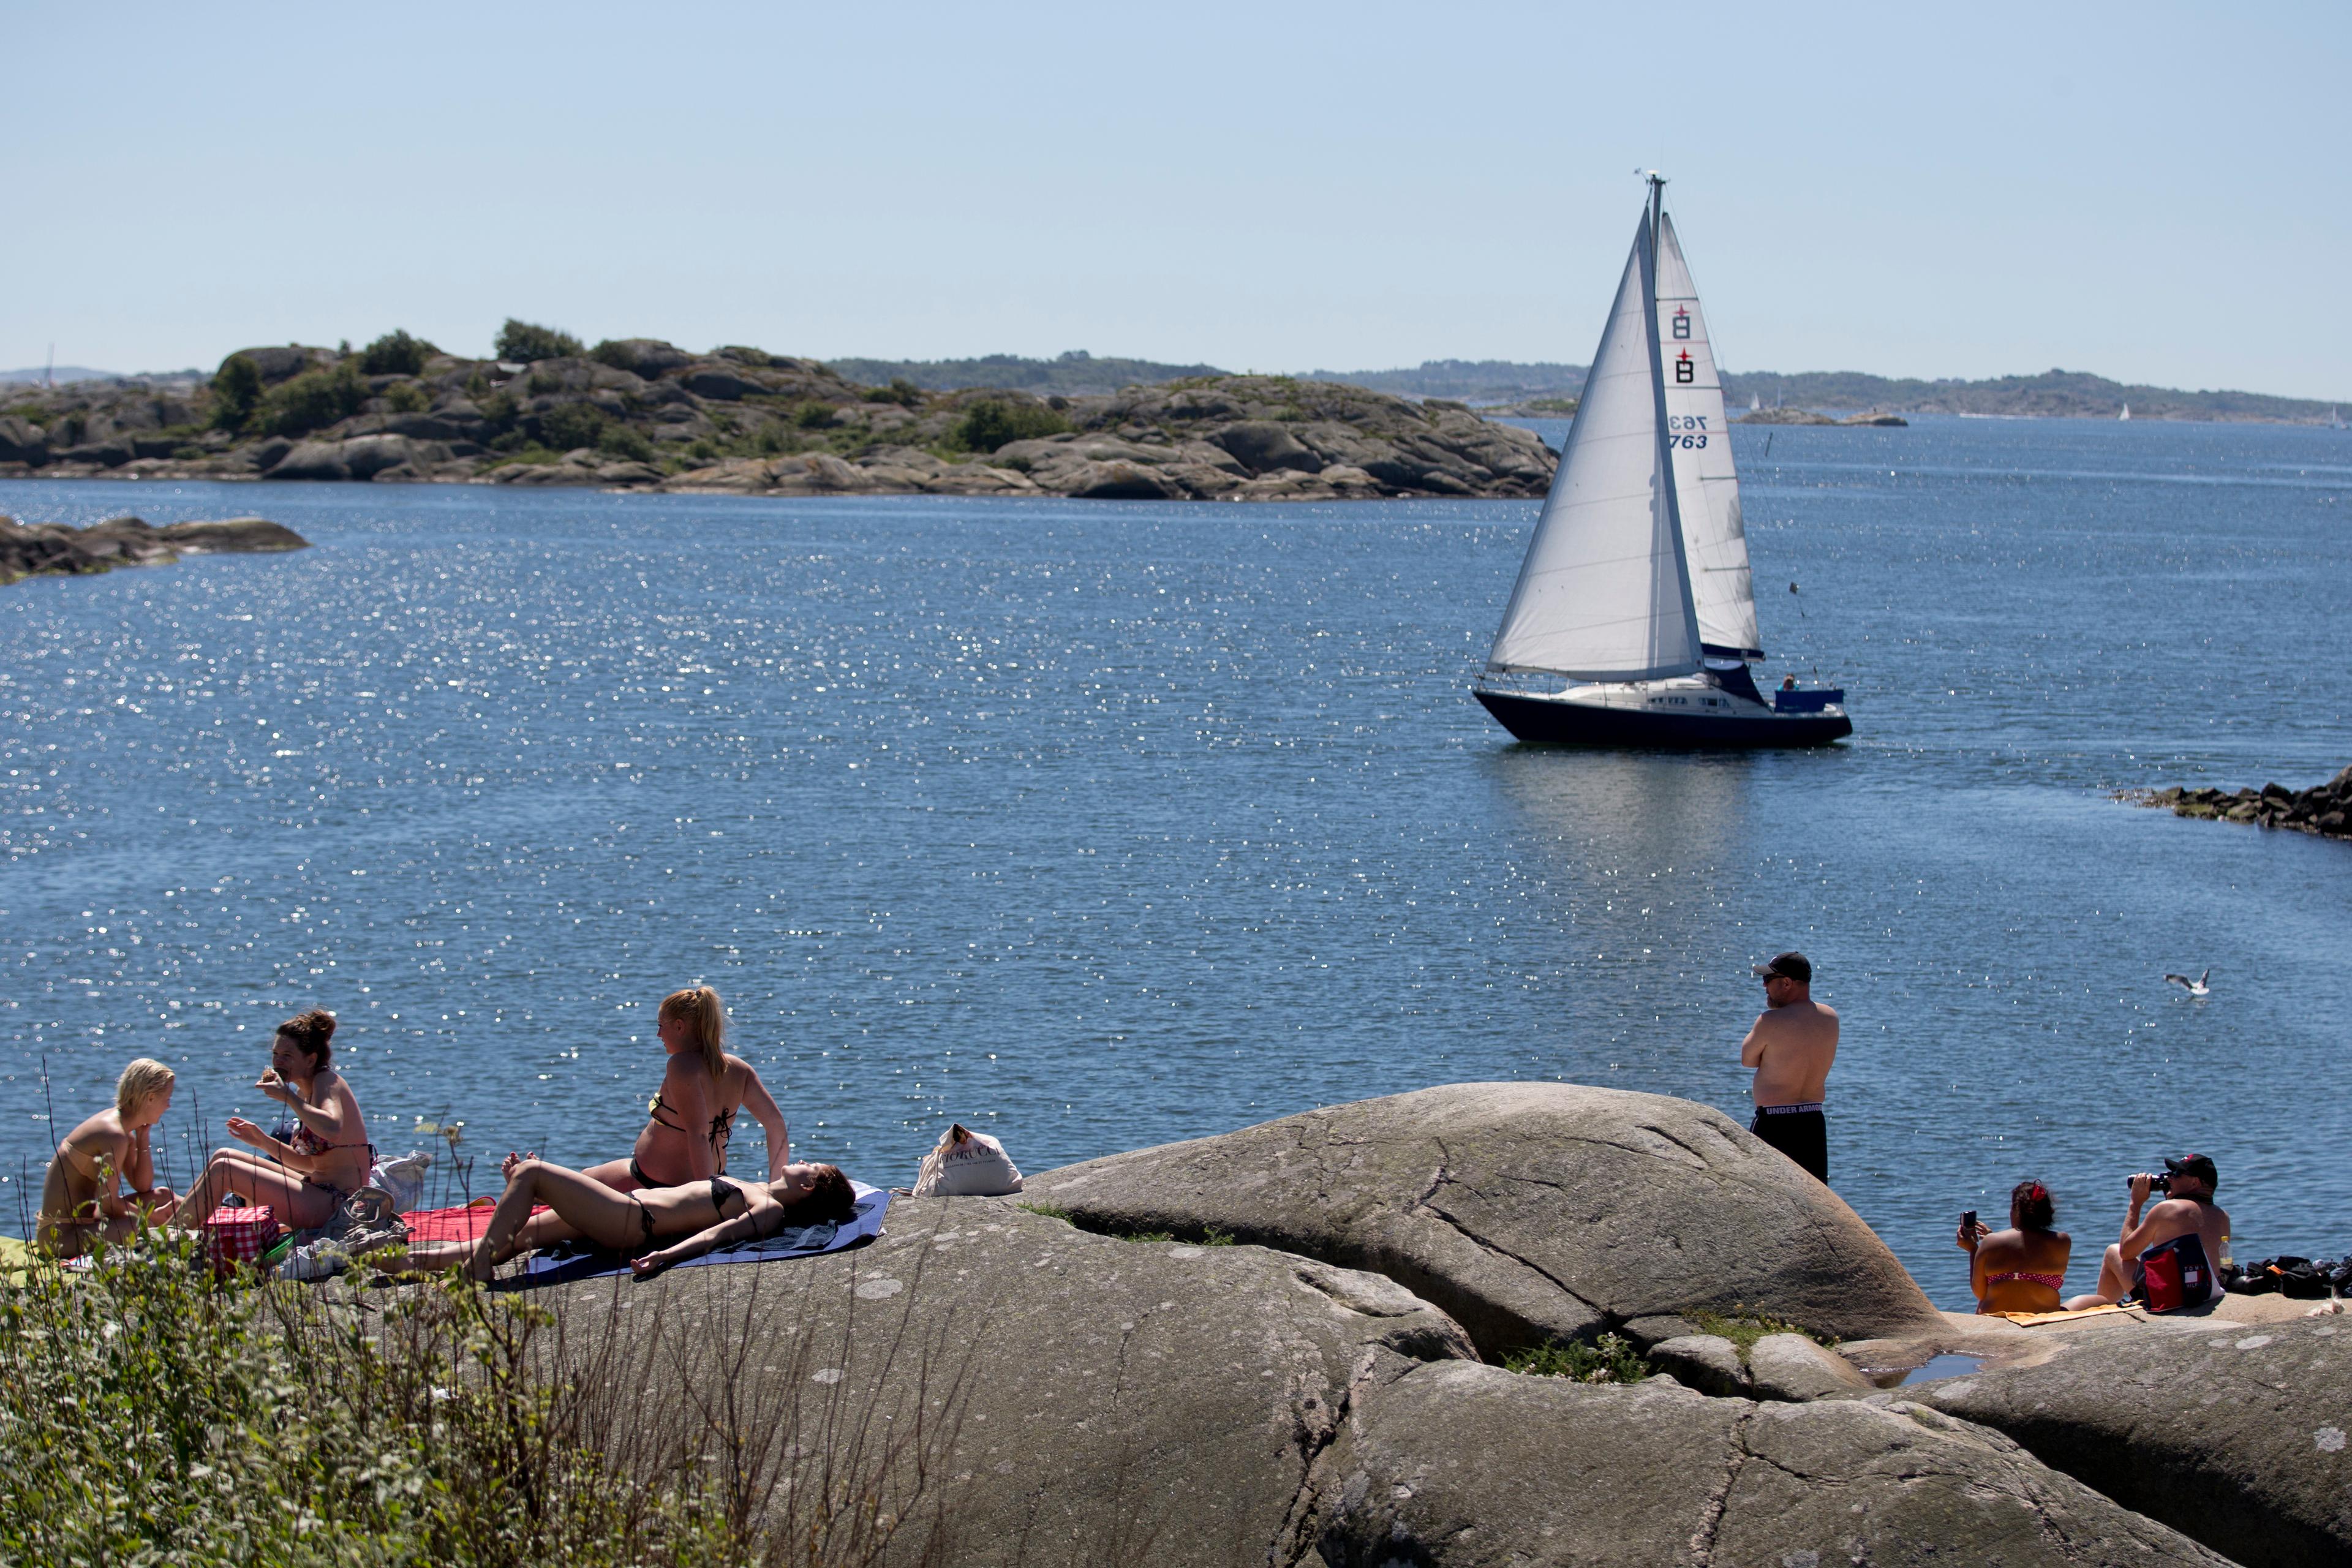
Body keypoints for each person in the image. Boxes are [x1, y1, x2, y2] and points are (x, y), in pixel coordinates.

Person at [401, 1153, 856, 1283]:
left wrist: (665, 1257)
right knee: (517, 1238)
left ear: (808, 1188)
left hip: (632, 1221)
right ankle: (391, 1264)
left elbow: (720, 1235)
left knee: (535, 1173)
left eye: (810, 1167)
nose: (802, 1162)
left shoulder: (771, 1208)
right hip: (625, 1213)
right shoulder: (758, 1188)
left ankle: (480, 1264)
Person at [172, 1009, 374, 1232]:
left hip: (338, 1204)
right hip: (317, 1189)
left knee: (224, 1170)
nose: (278, 1061)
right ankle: (174, 1227)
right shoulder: (304, 1091)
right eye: (275, 1054)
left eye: (287, 1056)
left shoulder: (327, 1081)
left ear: (310, 1059)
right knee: (224, 1155)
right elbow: (308, 1165)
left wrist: (288, 1097)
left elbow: (333, 1128)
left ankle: (172, 1237)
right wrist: (261, 1141)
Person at [580, 986, 790, 1191]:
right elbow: (776, 1125)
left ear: (680, 1027)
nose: (658, 1034)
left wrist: (705, 1199)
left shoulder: (681, 1066)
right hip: (712, 1178)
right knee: (583, 1178)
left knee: (571, 1188)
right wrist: (778, 1187)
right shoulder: (739, 1069)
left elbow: (698, 1135)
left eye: (661, 1025)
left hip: (658, 1184)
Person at [36, 1058, 181, 1256]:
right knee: (139, 1227)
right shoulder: (113, 1134)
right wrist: (150, 1218)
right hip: (59, 1235)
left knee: (162, 1196)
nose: (168, 1106)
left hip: (88, 1221)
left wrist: (143, 1137)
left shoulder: (123, 1130)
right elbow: (108, 1204)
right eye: (167, 1099)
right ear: (150, 1098)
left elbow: (142, 1186)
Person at [2064, 1154, 2231, 1311]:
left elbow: (2127, 1252)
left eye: (2177, 1174)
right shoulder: (2223, 1216)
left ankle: (2104, 1306)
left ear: (2195, 1183)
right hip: (2205, 1293)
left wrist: (2135, 1203)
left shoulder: (2167, 1209)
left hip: (2171, 1298)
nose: (2170, 1178)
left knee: (2113, 1252)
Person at [1739, 951, 1838, 1183]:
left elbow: (1747, 1060)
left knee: (1762, 1197)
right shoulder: (1830, 1018)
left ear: (1787, 983)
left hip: (1775, 1122)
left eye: (1768, 980)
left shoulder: (1770, 1021)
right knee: (1813, 1200)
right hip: (1813, 1121)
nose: (1764, 986)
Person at [1958, 1180, 2072, 1314]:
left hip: (1996, 1316)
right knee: (2095, 1300)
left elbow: (1980, 1293)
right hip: (2042, 1315)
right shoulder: (2062, 1241)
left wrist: (1974, 1250)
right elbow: (2027, 1259)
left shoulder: (1991, 1242)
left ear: (2016, 1211)